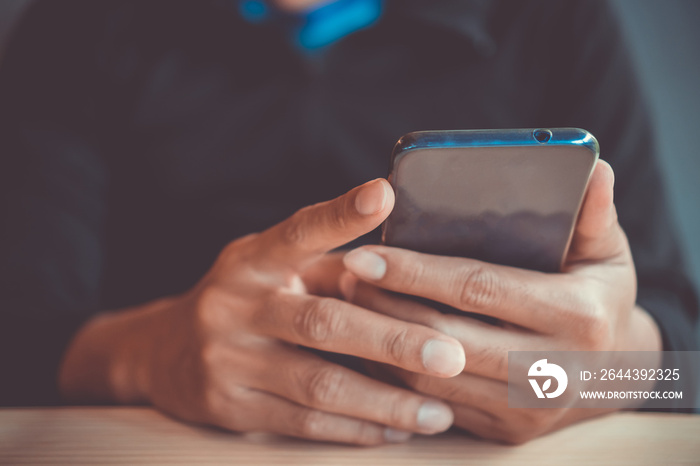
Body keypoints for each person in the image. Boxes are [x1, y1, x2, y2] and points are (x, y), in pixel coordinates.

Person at [0, 0, 696, 445]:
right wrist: (153, 354)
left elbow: (685, 373)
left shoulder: (555, 17)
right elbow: (20, 340)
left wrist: (601, 374)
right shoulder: (79, 22)